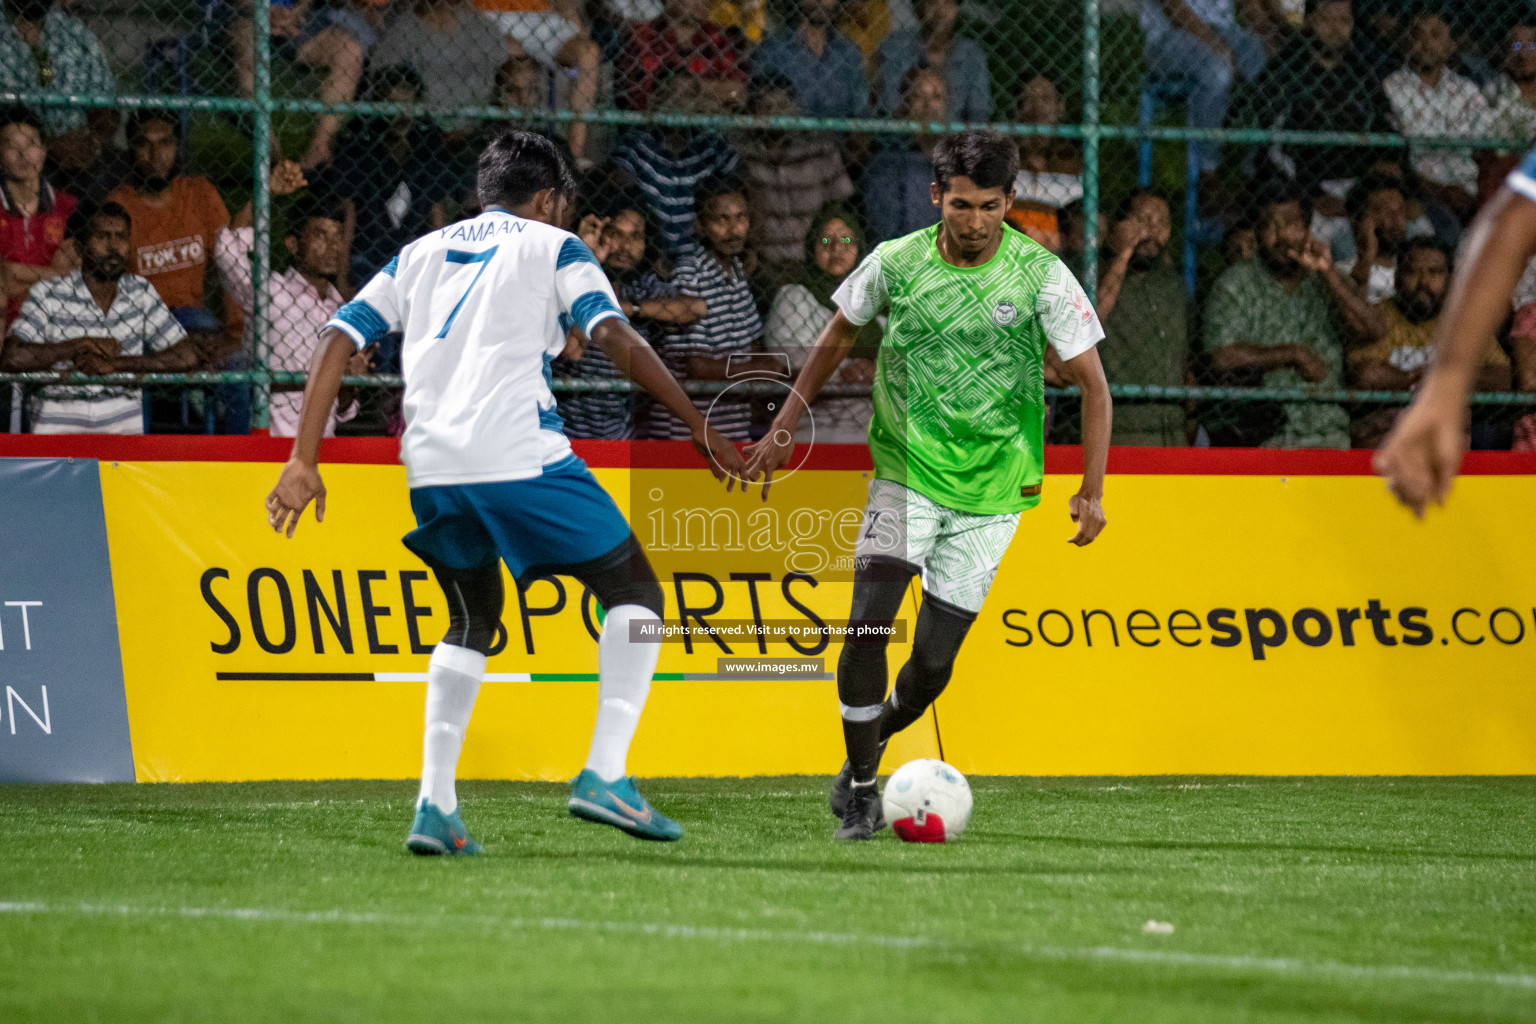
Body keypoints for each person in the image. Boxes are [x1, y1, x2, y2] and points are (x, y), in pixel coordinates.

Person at [264, 131, 747, 853]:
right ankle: (606, 776)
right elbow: (612, 333)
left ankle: (435, 805)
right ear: (550, 198)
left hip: (429, 463)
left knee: (472, 619)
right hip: (519, 454)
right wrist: (699, 426)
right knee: (638, 597)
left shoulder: (420, 251)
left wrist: (305, 459)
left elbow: (335, 337)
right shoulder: (557, 248)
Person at [742, 129, 1112, 841]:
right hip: (905, 473)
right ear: (937, 195)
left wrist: (1091, 490)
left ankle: (871, 741)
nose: (975, 222)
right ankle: (858, 788)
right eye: (962, 204)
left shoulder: (1041, 275)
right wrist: (786, 425)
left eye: (992, 207)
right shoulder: (896, 262)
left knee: (932, 669)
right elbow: (835, 338)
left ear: (1010, 202)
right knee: (867, 626)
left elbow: (1094, 386)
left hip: (994, 490)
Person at [0, 199, 196, 433]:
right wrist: (78, 346)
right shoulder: (49, 294)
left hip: (122, 437)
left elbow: (186, 356)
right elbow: (12, 357)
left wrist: (115, 365)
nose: (114, 247)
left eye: (121, 237)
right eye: (102, 237)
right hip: (58, 439)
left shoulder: (139, 291)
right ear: (81, 247)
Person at [217, 175, 372, 438]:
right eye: (321, 235)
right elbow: (227, 251)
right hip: (272, 444)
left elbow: (346, 411)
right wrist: (265, 196)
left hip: (323, 451)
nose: (333, 247)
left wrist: (348, 378)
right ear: (293, 244)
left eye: (338, 237)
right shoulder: (272, 292)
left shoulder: (344, 311)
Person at [1202, 183, 1349, 449]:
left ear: (1307, 229)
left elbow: (1372, 329)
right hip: (1265, 441)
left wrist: (1329, 274)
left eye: (1291, 224)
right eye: (1270, 225)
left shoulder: (1328, 278)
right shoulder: (1235, 283)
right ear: (1257, 232)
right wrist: (1290, 354)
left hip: (1330, 436)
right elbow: (1221, 356)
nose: (1282, 235)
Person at [645, 174, 780, 440]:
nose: (734, 230)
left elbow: (753, 344)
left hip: (731, 426)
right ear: (701, 226)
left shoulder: (738, 272)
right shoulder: (690, 273)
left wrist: (760, 365)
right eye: (722, 219)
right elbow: (700, 367)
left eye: (741, 218)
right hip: (687, 433)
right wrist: (759, 368)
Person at [555, 200, 703, 438]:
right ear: (599, 235)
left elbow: (694, 308)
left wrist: (627, 308)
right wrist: (592, 262)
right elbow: (573, 349)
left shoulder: (640, 288)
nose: (626, 246)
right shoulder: (569, 278)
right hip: (566, 433)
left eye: (636, 237)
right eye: (616, 234)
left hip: (619, 434)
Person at [1343, 237, 1509, 448]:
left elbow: (1501, 377)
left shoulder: (1463, 321)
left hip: (1450, 421)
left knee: (1485, 430)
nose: (1423, 282)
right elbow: (1365, 375)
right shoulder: (1378, 317)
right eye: (1413, 272)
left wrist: (1408, 379)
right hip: (1389, 422)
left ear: (1450, 280)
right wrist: (1427, 376)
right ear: (1396, 279)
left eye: (1434, 273)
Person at [1245, 0, 1395, 196]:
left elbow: (1385, 122)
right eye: (1326, 19)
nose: (1335, 29)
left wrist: (1386, 164)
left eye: (1343, 21)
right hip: (1298, 187)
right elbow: (1271, 149)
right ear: (1308, 22)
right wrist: (1313, 193)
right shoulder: (1283, 72)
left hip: (1360, 187)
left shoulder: (1362, 73)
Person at [322, 65, 451, 286]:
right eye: (392, 103)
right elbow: (348, 214)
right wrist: (343, 282)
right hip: (365, 256)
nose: (401, 113)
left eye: (408, 105)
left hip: (412, 256)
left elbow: (436, 215)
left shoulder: (428, 145)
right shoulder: (358, 144)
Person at [763, 204, 880, 442]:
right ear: (811, 249)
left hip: (874, 427)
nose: (837, 248)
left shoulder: (875, 306)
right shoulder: (795, 297)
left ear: (860, 250)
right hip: (818, 426)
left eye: (847, 240)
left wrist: (876, 371)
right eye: (826, 241)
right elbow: (791, 358)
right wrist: (852, 369)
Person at [226, 0, 385, 171]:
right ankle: (269, 149)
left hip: (296, 21)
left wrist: (297, 11)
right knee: (247, 43)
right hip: (248, 16)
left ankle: (319, 149)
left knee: (351, 50)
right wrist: (263, 10)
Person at [107, 111, 232, 326]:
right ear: (131, 152)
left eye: (165, 143)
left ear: (178, 148)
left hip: (193, 318)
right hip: (140, 320)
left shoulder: (199, 194)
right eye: (144, 145)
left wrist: (234, 333)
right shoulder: (119, 205)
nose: (155, 155)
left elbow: (232, 260)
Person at [1094, 189, 1191, 447]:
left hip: (1170, 429)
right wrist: (1124, 253)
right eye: (1143, 220)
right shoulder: (1093, 271)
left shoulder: (1172, 284)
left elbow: (1185, 359)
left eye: (1162, 223)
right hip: (1119, 429)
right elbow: (1087, 324)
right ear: (1120, 225)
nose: (1152, 230)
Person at [610, 71, 740, 256]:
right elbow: (619, 180)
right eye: (673, 95)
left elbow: (742, 181)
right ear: (657, 100)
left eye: (689, 96)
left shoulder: (709, 144)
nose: (681, 103)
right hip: (649, 255)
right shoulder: (638, 143)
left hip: (701, 256)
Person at [1138, 0, 1266, 186]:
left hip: (1225, 32)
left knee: (1268, 66)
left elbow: (1252, 9)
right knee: (1217, 72)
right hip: (1169, 35)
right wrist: (1216, 46)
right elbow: (1174, 9)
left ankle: (1254, 175)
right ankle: (1207, 175)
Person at [736, 74, 855, 268]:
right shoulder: (745, 154)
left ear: (796, 109)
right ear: (753, 112)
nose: (776, 115)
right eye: (766, 108)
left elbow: (839, 204)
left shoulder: (818, 149)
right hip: (764, 262)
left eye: (783, 106)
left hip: (814, 260)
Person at [1382, 6, 1487, 221]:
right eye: (1418, 35)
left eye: (1436, 35)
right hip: (1419, 193)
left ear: (1451, 45)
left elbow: (1484, 148)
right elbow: (1398, 160)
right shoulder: (1392, 87)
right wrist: (1438, 190)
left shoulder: (1468, 91)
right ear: (1406, 41)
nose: (1427, 43)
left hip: (1469, 191)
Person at [474, 0, 600, 162]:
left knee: (589, 52)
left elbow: (571, 13)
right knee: (509, 58)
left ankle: (575, 153)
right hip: (495, 16)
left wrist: (569, 13)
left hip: (545, 19)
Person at [370, 0, 520, 133]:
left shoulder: (484, 29)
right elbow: (382, 77)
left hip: (476, 130)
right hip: (423, 132)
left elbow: (506, 72)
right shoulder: (405, 29)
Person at [0, 0, 114, 151]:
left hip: (76, 152)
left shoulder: (76, 34)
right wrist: (50, 145)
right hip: (15, 156)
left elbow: (108, 107)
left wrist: (91, 143)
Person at [0, 105, 76, 325]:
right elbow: (3, 278)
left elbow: (75, 277)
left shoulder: (69, 207)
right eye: (12, 146)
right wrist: (54, 273)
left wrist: (15, 273)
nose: (23, 155)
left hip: (59, 318)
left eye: (31, 144)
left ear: (43, 150)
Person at [861, 67, 945, 244]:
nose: (928, 105)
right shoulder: (887, 157)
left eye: (936, 97)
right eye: (918, 96)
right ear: (905, 104)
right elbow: (884, 226)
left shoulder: (957, 158)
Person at [620, 0, 749, 112]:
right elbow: (637, 89)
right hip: (652, 120)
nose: (702, 2)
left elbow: (736, 90)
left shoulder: (716, 36)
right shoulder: (647, 33)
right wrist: (711, 89)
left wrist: (684, 86)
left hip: (705, 119)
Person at [753, 0, 871, 121]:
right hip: (790, 136)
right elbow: (762, 109)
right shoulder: (773, 49)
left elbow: (862, 114)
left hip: (839, 138)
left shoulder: (849, 53)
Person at [875, 0, 990, 122]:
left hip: (955, 136)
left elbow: (979, 112)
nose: (940, 11)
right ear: (920, 8)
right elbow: (890, 104)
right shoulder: (896, 47)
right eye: (932, 3)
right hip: (903, 135)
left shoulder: (972, 54)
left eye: (948, 3)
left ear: (957, 8)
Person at [1007, 74, 1083, 250]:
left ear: (1060, 107)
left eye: (1045, 98)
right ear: (1018, 107)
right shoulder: (1002, 159)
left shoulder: (1072, 164)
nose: (1037, 106)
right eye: (1029, 98)